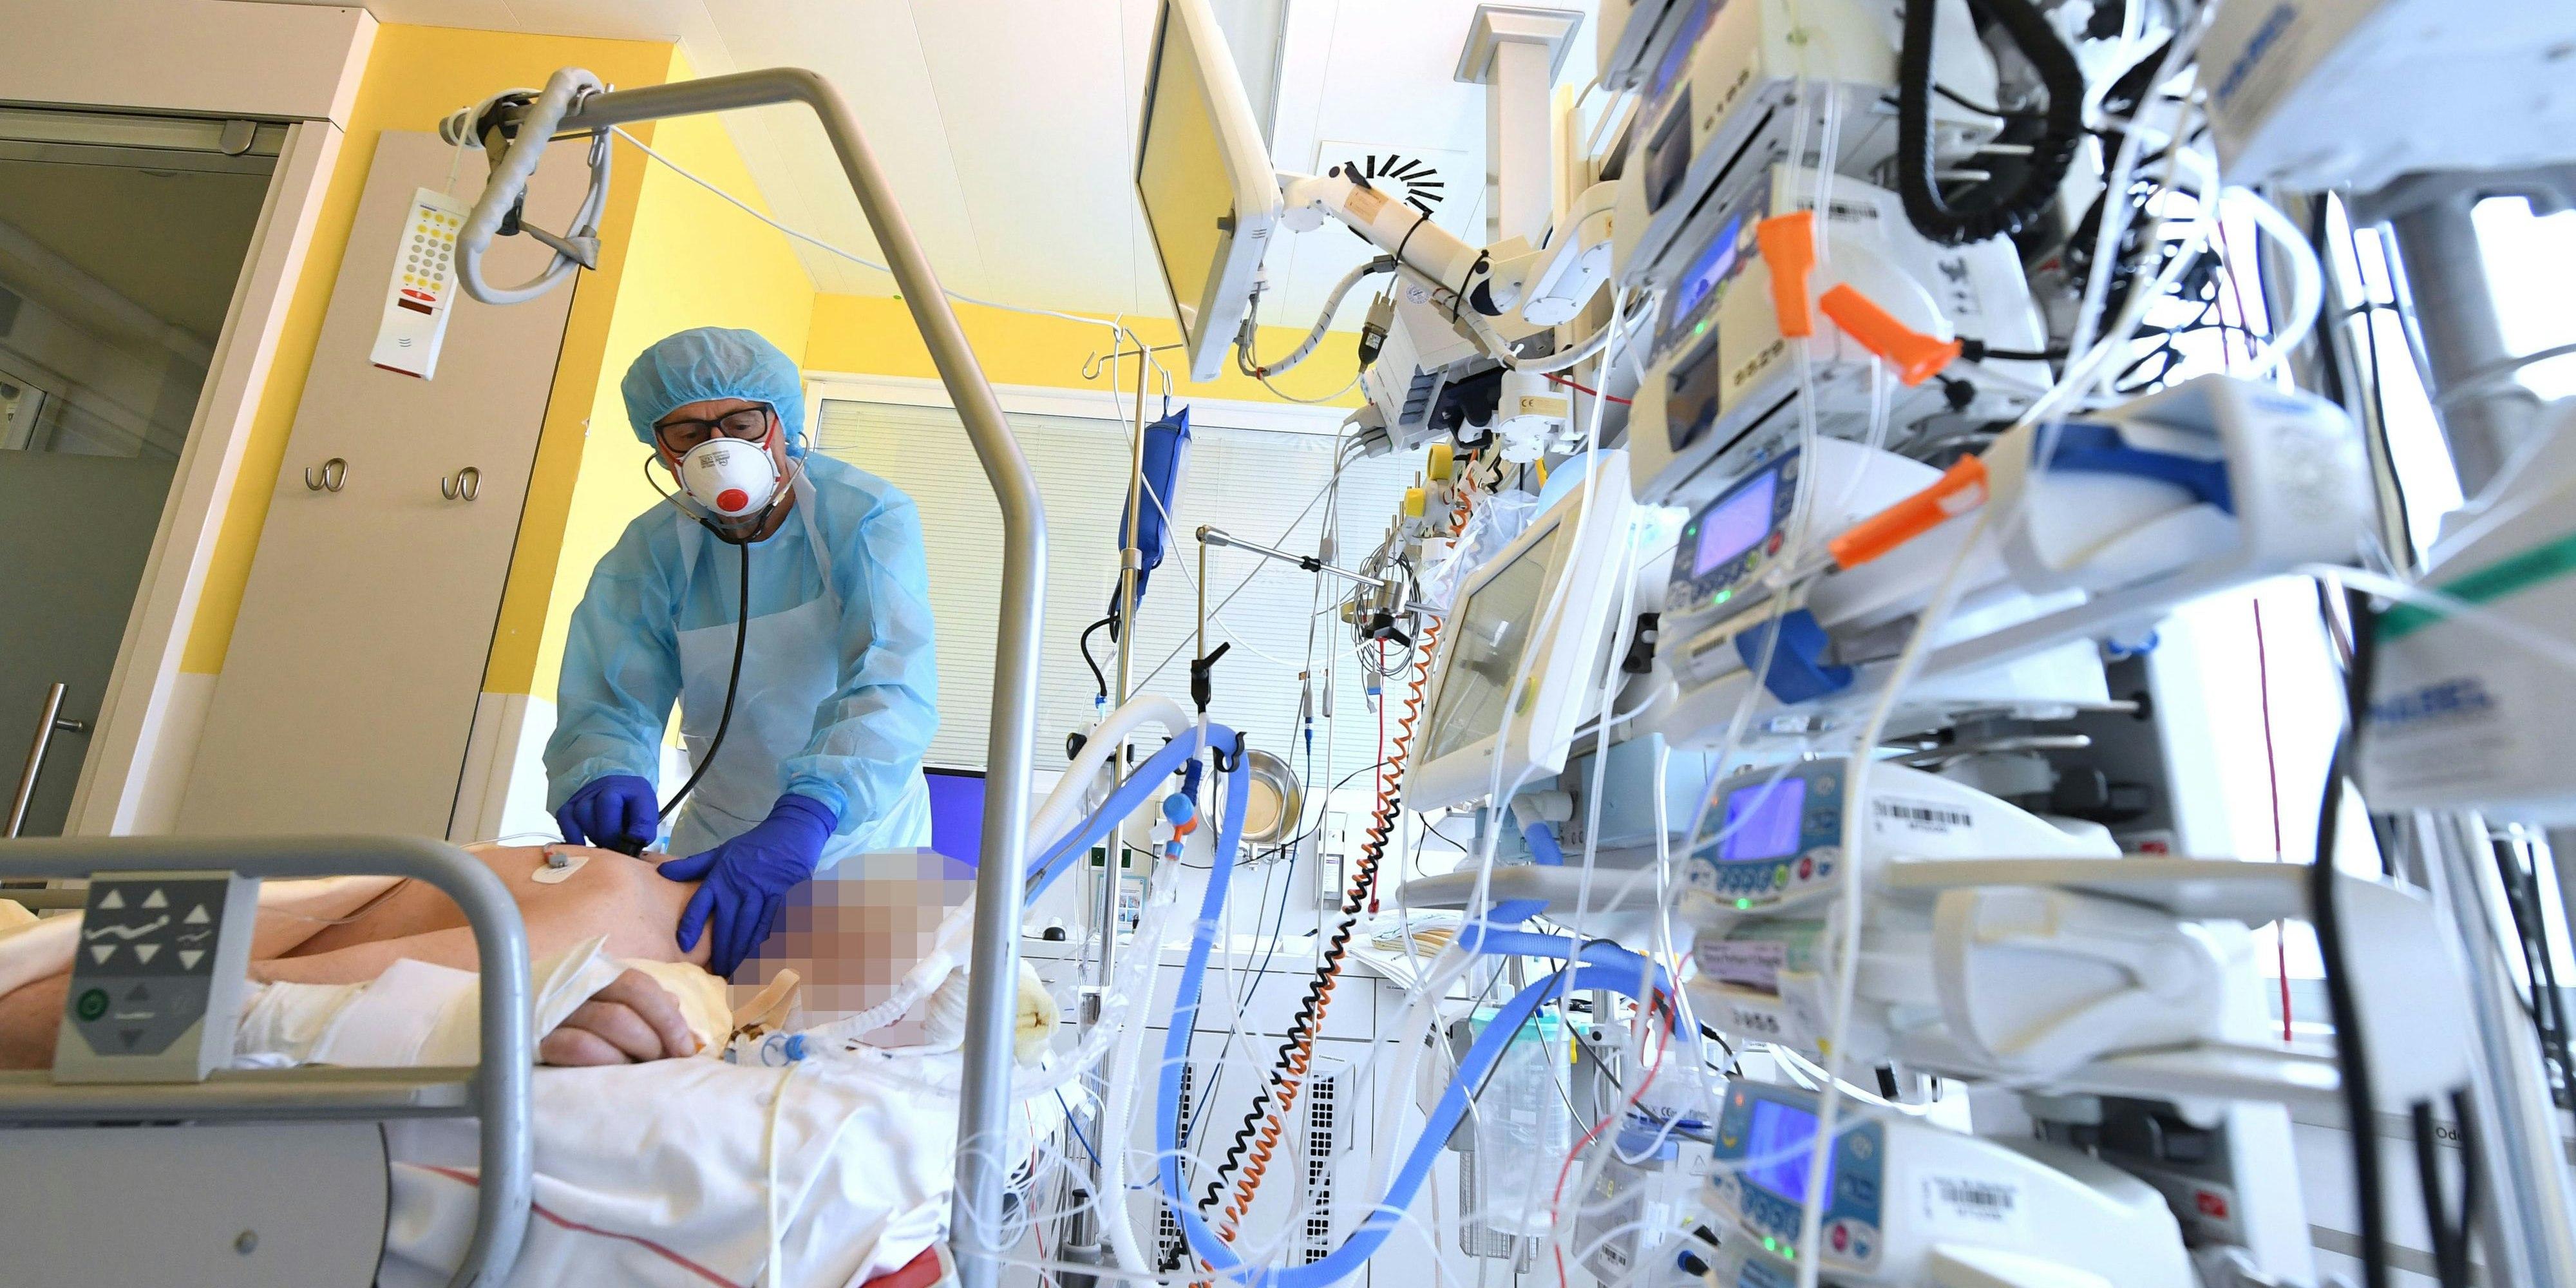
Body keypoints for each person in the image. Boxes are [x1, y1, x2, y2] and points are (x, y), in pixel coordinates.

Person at [545, 327, 938, 976]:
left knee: (851, 1011)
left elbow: (892, 677)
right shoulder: (651, 549)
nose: (718, 449)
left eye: (741, 423)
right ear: (661, 449)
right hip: (716, 837)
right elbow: (610, 694)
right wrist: (603, 768)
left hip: (859, 832)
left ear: (780, 423)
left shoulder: (864, 514)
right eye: (688, 432)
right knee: (703, 1008)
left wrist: (810, 811)